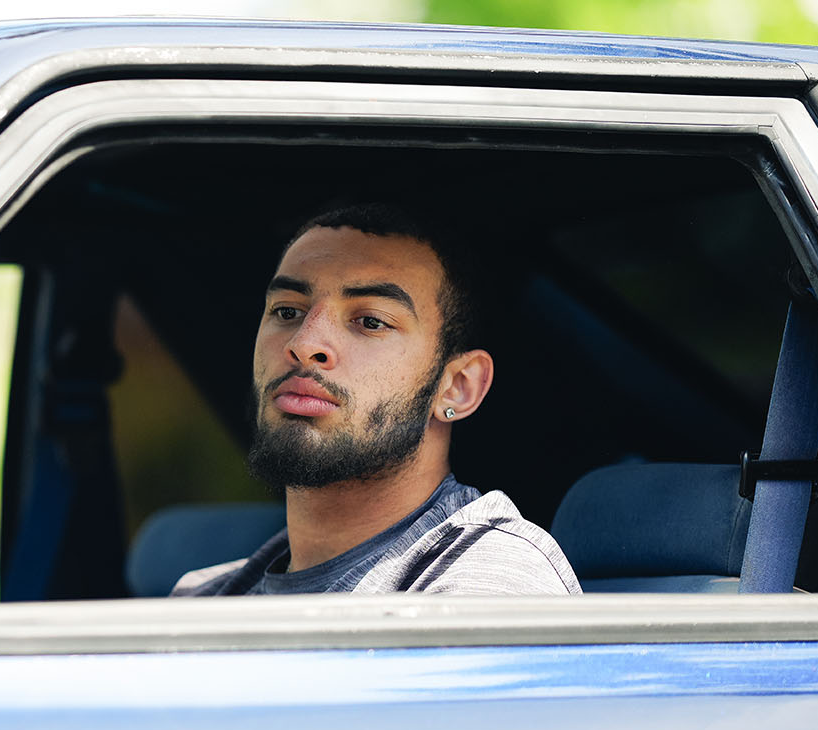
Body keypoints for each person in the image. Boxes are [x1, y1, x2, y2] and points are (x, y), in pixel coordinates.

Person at [173, 203, 580, 596]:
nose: (304, 344)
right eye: (287, 312)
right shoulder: (204, 595)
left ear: (457, 387)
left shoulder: (486, 580)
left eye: (370, 321)